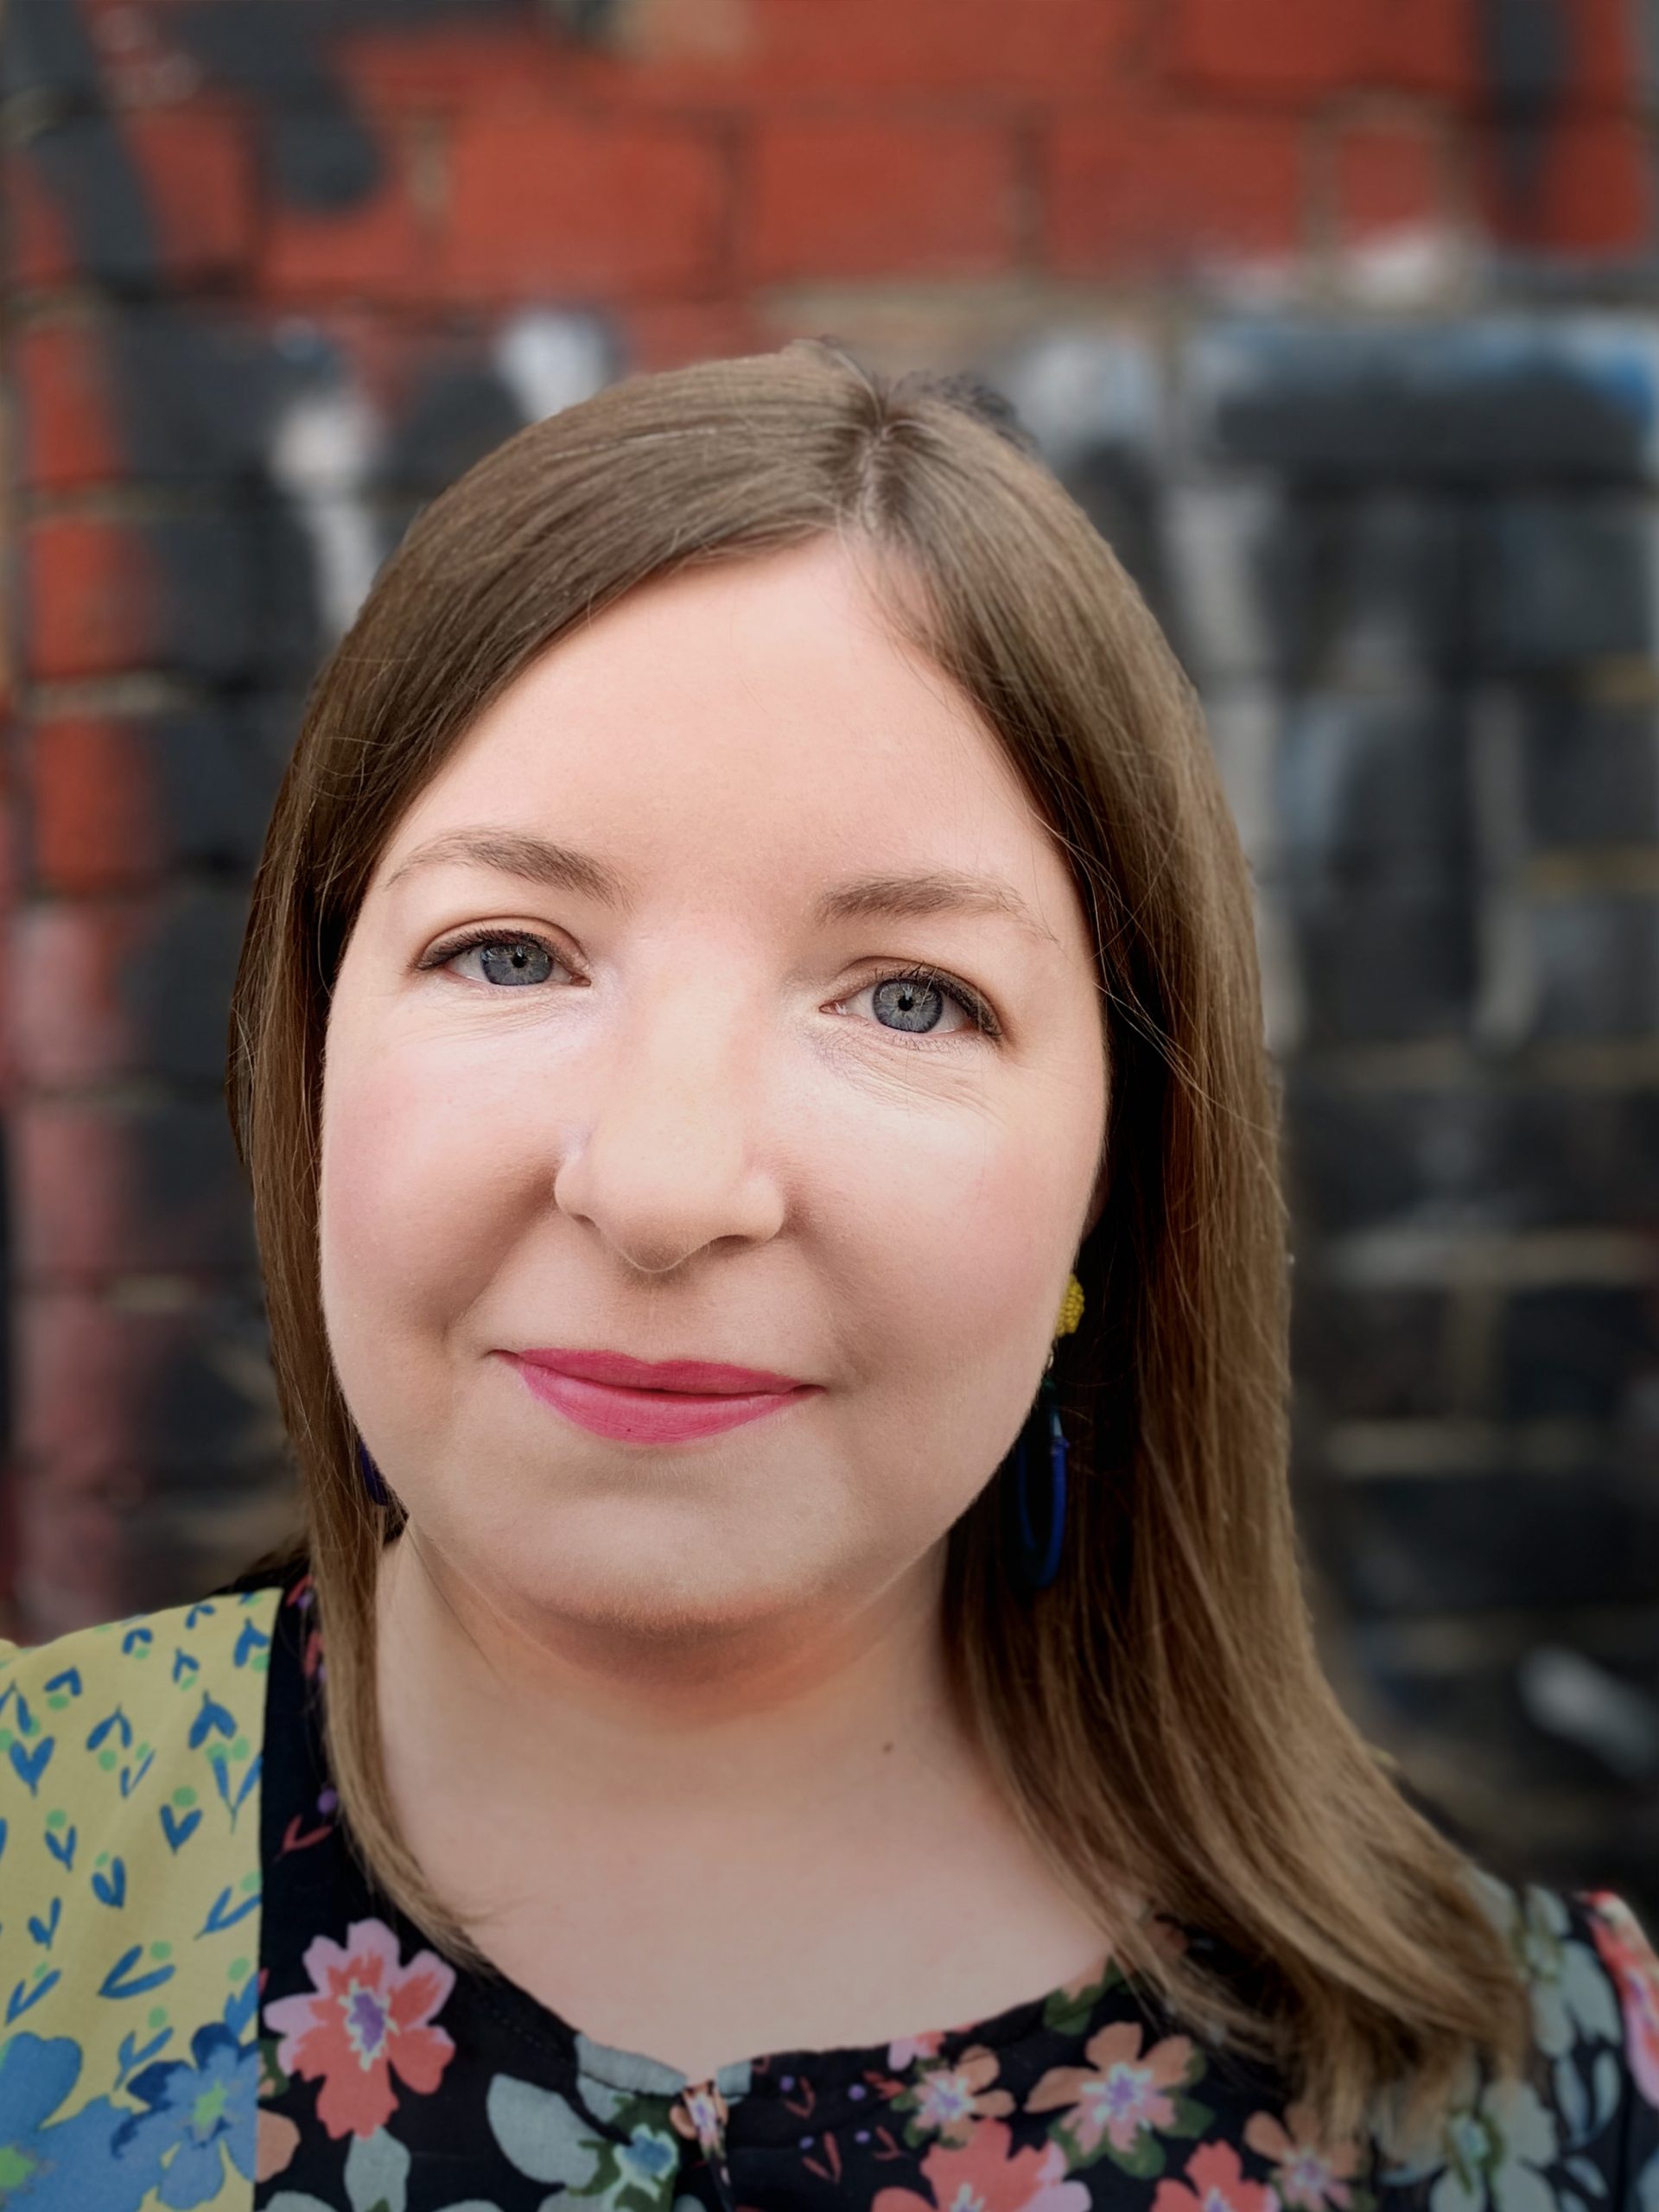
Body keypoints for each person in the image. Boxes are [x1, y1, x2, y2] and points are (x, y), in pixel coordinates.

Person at [0, 342, 1654, 2212]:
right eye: (511, 952)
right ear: (311, 1056)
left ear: (1117, 1183)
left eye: (908, 996)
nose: (665, 1183)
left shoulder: (1526, 2101)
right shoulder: (30, 1891)